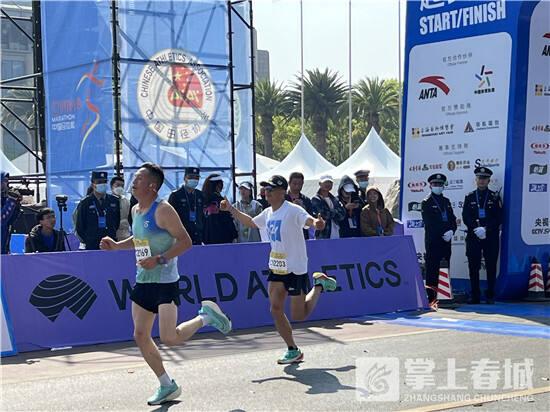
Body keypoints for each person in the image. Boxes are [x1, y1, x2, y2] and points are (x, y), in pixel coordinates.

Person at [100, 163, 232, 406]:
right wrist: (117, 246)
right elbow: (140, 239)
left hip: (165, 282)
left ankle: (206, 317)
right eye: (134, 178)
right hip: (143, 280)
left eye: (139, 179)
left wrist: (160, 259)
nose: (133, 182)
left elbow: (186, 241)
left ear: (152, 186)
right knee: (140, 335)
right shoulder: (136, 210)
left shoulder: (164, 210)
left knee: (169, 338)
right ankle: (166, 384)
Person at [220, 175, 337, 364]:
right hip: (276, 267)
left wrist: (318, 224)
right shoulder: (267, 213)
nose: (267, 192)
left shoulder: (293, 210)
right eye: (266, 189)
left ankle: (319, 285)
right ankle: (293, 349)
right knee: (275, 309)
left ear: (282, 192)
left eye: (271, 189)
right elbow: (251, 222)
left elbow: (309, 220)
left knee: (299, 315)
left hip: (296, 268)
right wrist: (231, 209)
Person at [462, 167, 502, 304]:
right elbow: (466, 216)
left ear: (489, 180)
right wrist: (476, 228)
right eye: (480, 178)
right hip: (474, 236)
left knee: (491, 265)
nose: (482, 181)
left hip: (490, 237)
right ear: (476, 180)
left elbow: (499, 218)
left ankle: (490, 295)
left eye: (484, 178)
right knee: (473, 266)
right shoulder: (469, 197)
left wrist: (486, 229)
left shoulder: (494, 197)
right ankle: (475, 295)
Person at [421, 173, 457, 305]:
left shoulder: (446, 201)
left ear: (443, 186)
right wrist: (443, 232)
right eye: (435, 184)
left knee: (445, 267)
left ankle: (444, 296)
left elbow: (452, 219)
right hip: (433, 241)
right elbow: (429, 223)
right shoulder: (426, 202)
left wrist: (452, 230)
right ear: (430, 186)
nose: (438, 186)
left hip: (446, 241)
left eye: (440, 184)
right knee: (432, 269)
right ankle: (431, 298)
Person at [75, 171, 120, 250]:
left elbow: (117, 222)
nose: (102, 184)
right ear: (93, 184)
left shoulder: (114, 201)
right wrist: (88, 240)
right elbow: (80, 226)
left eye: (104, 182)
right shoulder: (85, 202)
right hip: (92, 244)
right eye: (99, 182)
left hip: (110, 242)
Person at [168, 167, 205, 245]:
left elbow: (202, 216)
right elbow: (170, 217)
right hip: (182, 236)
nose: (194, 180)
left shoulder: (200, 195)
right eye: (191, 177)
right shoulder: (176, 195)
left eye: (196, 178)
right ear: (185, 178)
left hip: (197, 235)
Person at [202, 174, 237, 244]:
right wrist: (234, 235)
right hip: (222, 239)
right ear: (218, 185)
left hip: (206, 239)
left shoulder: (202, 199)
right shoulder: (221, 201)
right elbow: (227, 219)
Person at [311, 175, 346, 239]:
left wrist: (332, 212)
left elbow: (342, 215)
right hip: (323, 235)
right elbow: (324, 215)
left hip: (337, 234)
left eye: (330, 182)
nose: (328, 184)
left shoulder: (335, 199)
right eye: (325, 182)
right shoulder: (315, 199)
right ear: (320, 184)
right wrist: (336, 211)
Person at [286, 171, 314, 239]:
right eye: (294, 183)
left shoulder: (306, 200)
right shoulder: (282, 199)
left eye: (300, 184)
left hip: (302, 235)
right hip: (286, 234)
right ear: (289, 183)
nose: (297, 186)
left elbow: (310, 218)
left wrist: (303, 209)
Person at [1, 172, 21, 254]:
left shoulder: (4, 199)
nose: (5, 184)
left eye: (6, 181)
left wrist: (16, 204)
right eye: (4, 181)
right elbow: (2, 219)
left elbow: (10, 221)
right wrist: (11, 200)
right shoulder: (8, 200)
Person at [111, 176, 132, 241]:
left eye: (122, 186)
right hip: (111, 235)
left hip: (125, 235)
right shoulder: (107, 201)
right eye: (118, 185)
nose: (120, 187)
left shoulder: (126, 201)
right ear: (112, 186)